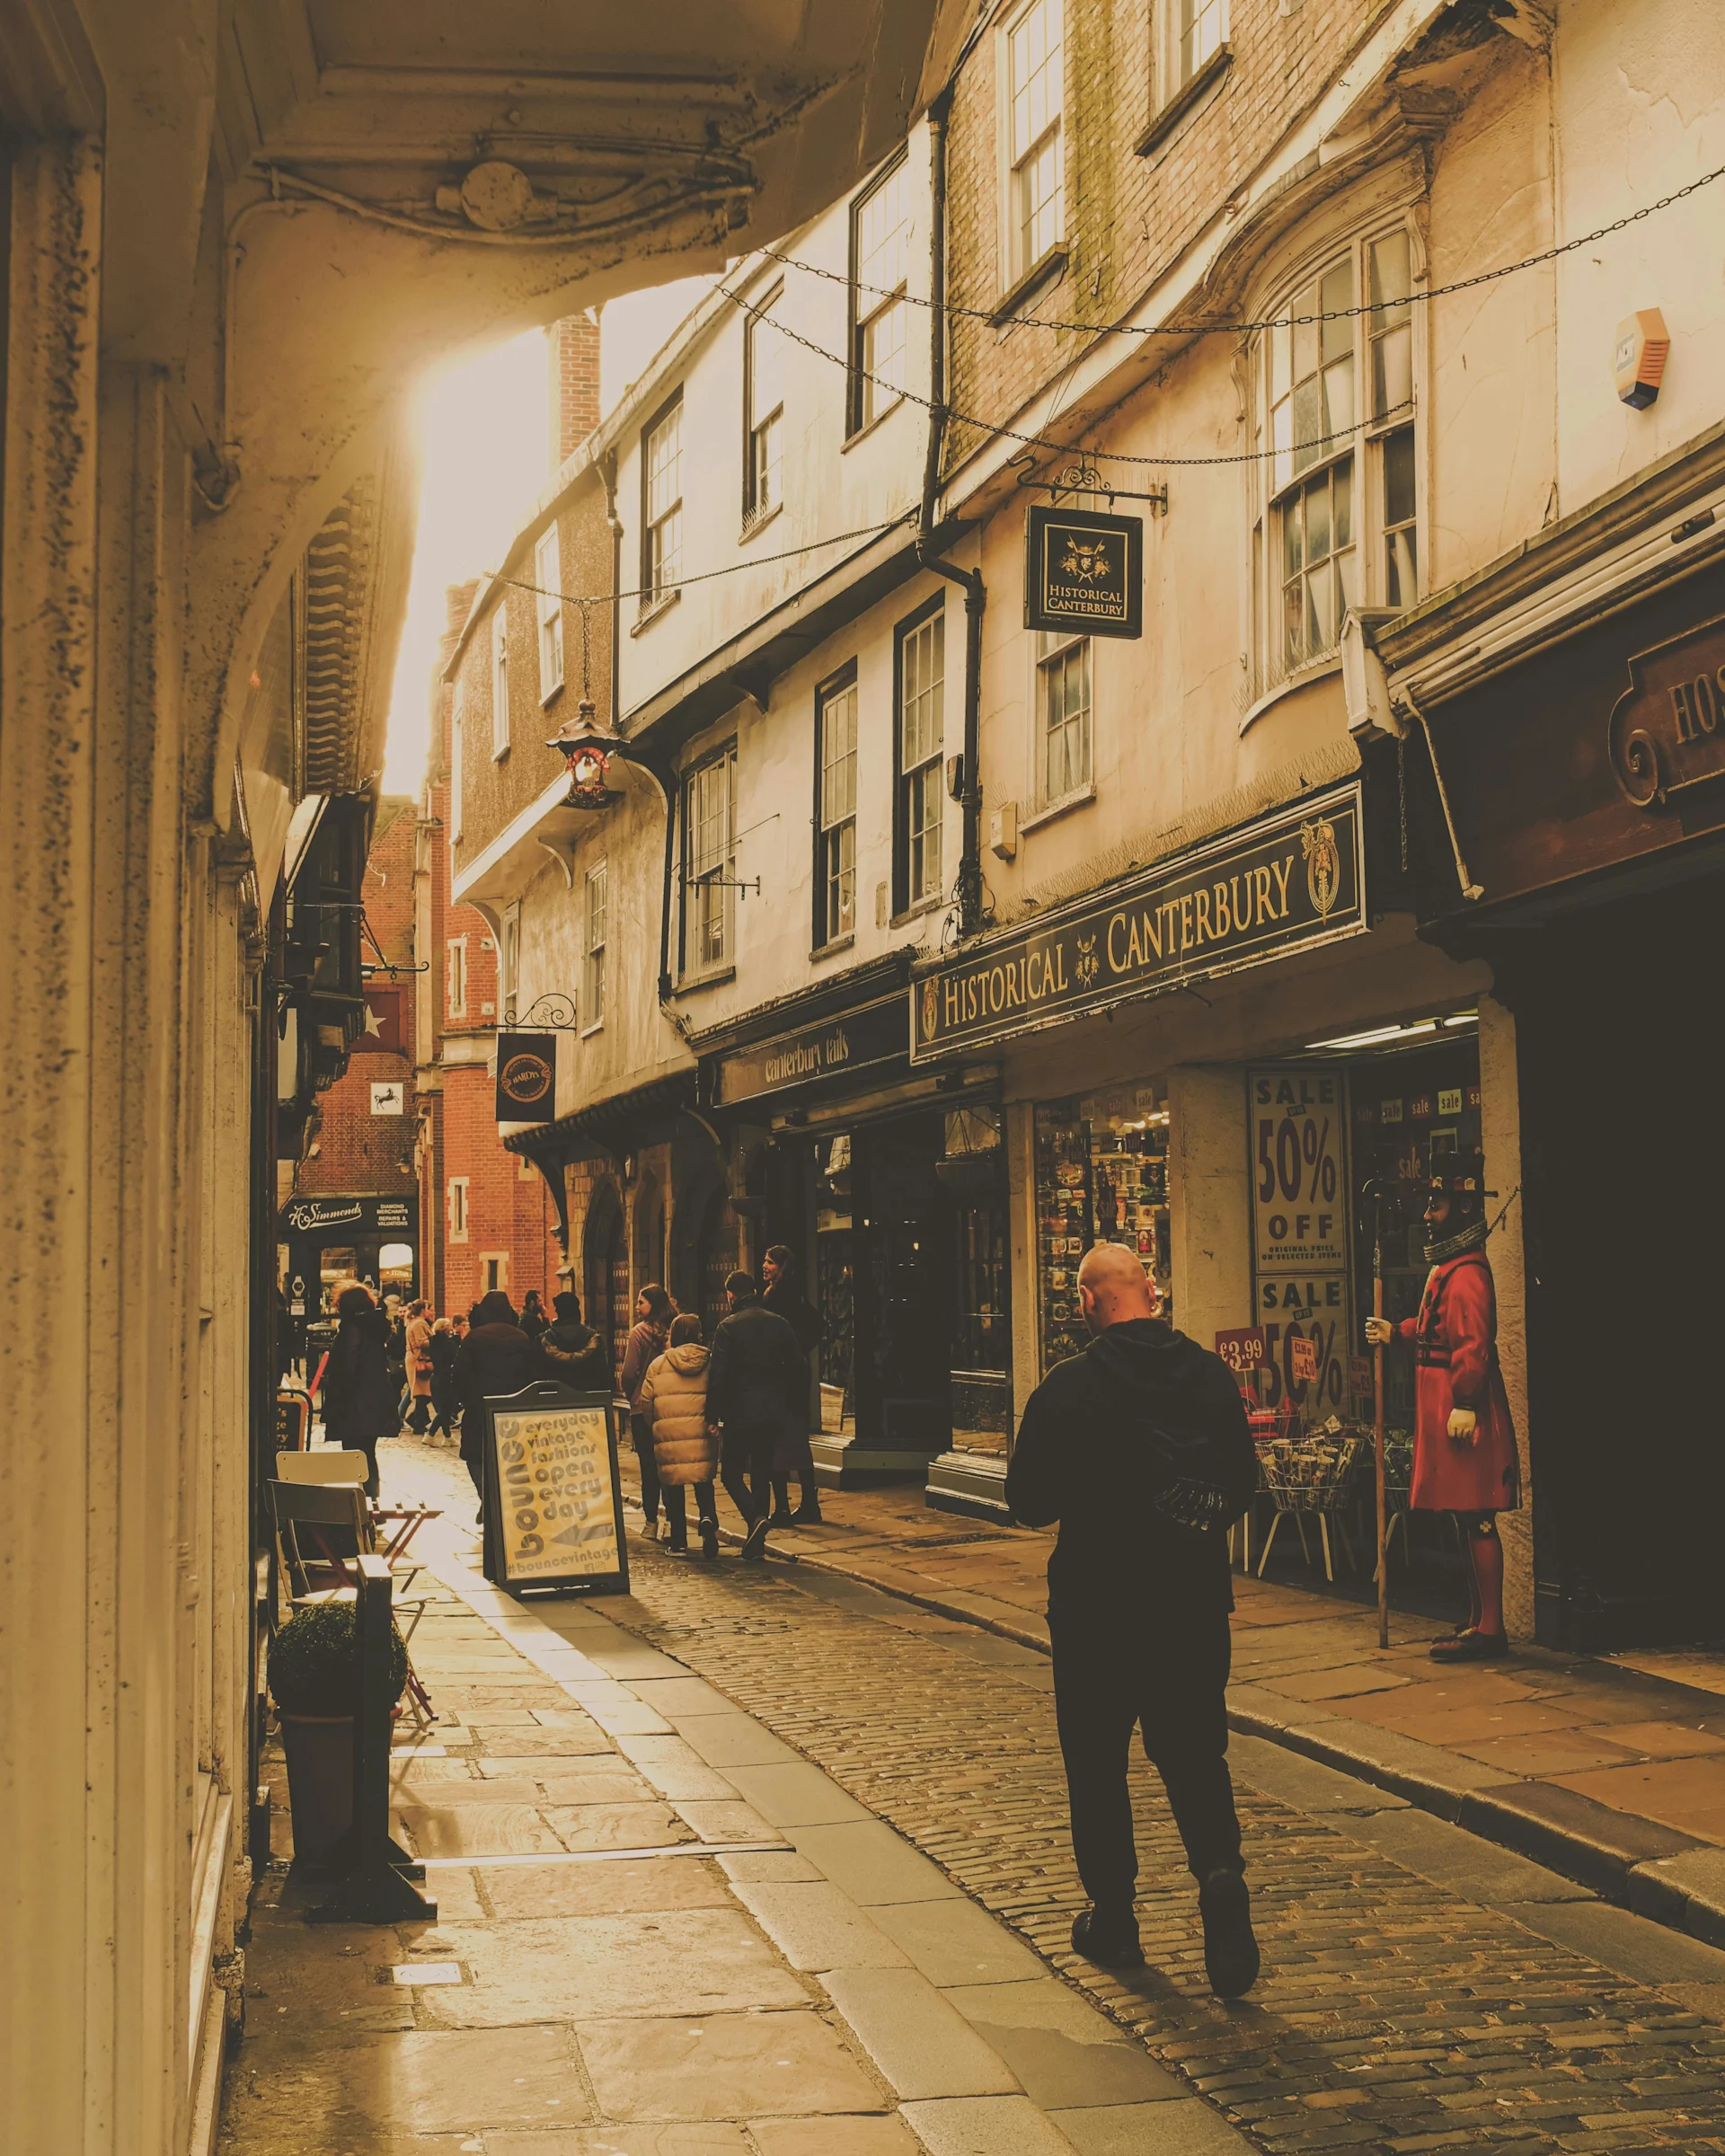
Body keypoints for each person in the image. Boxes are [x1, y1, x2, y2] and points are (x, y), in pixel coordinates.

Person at [1005, 1241, 1261, 1998]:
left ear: (1090, 1300)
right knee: (1193, 1754)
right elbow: (1243, 1483)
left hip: (1096, 1610)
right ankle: (1219, 1873)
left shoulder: (1068, 1387)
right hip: (1188, 1604)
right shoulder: (1210, 1376)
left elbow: (1028, 1502)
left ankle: (1114, 1915)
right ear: (1150, 1291)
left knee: (1097, 1763)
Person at [1365, 1157, 1518, 1663]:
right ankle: (1478, 1618)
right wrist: (1398, 1331)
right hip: (1446, 1401)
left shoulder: (1469, 1273)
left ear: (1463, 1210)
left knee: (1476, 1516)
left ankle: (1490, 1626)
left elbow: (1472, 1344)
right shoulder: (1449, 1268)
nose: (1429, 1215)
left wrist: (1467, 1400)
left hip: (1461, 1405)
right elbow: (1435, 1326)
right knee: (1462, 1515)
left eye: (1438, 1204)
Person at [706, 1270, 808, 1562]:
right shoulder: (779, 1323)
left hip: (740, 1413)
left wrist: (712, 1415)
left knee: (731, 1473)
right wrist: (790, 1404)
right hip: (774, 1411)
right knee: (762, 1470)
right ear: (753, 1290)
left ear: (730, 1295)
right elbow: (799, 1367)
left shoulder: (728, 1327)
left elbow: (719, 1376)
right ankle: (757, 1541)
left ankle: (755, 1517)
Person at [639, 1313, 721, 1560]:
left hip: (669, 1435)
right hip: (701, 1433)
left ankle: (679, 1541)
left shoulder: (658, 1365)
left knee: (673, 1487)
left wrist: (655, 1424)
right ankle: (707, 1521)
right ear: (698, 1334)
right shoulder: (710, 1361)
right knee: (703, 1482)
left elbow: (646, 1402)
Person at [452, 1289, 539, 1507]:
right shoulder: (522, 1338)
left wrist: (467, 1402)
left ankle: (487, 1497)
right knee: (513, 1459)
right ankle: (505, 1501)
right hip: (514, 1413)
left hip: (480, 1411)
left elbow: (460, 1375)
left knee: (475, 1456)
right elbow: (532, 1373)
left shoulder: (474, 1338)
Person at [762, 1243, 824, 1526]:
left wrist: (790, 1353)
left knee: (778, 1440)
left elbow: (812, 1327)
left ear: (782, 1267)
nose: (765, 1266)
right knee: (796, 1440)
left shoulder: (781, 1295)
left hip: (783, 1378)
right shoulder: (792, 1293)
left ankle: (784, 1508)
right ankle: (806, 1504)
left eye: (770, 1262)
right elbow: (817, 1326)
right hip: (794, 1375)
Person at [321, 1279, 399, 1498]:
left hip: (354, 1402)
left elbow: (349, 1365)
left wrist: (337, 1393)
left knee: (356, 1454)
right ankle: (371, 1500)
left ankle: (365, 1504)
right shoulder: (374, 1327)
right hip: (374, 1400)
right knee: (366, 1454)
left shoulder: (352, 1328)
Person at [620, 1284, 676, 1540]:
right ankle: (675, 1522)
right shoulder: (674, 1330)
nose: (637, 1307)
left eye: (641, 1302)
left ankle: (652, 1522)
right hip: (670, 1405)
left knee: (649, 1467)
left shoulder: (639, 1333)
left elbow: (630, 1372)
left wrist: (631, 1394)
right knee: (671, 1466)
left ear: (652, 1304)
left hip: (643, 1408)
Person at [537, 1288, 612, 1391]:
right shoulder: (593, 1338)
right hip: (589, 1400)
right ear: (577, 1311)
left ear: (558, 1312)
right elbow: (603, 1376)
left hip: (554, 1400)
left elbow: (538, 1376)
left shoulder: (544, 1340)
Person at [426, 1316, 461, 1439]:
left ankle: (448, 1437)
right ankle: (430, 1435)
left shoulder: (432, 1342)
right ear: (446, 1330)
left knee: (442, 1408)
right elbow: (457, 1358)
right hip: (446, 1378)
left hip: (435, 1377)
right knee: (445, 1410)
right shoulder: (449, 1344)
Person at [403, 1299, 434, 1433]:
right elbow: (422, 1343)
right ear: (422, 1310)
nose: (429, 1311)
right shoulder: (419, 1323)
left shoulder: (413, 1322)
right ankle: (417, 1422)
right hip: (419, 1359)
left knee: (422, 1393)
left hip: (414, 1358)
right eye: (427, 1308)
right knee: (423, 1393)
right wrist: (436, 1339)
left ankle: (417, 1420)